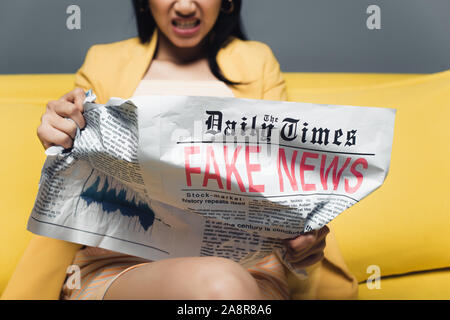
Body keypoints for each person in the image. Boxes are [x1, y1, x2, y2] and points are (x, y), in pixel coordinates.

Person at [30, 0, 356, 300]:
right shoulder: (105, 61)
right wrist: (61, 133)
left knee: (226, 284)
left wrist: (303, 241)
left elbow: (287, 182)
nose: (185, 5)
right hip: (122, 269)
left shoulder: (256, 62)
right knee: (221, 284)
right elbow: (75, 160)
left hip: (252, 271)